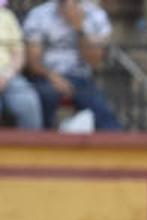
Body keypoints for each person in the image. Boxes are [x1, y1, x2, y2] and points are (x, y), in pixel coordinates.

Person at [22, 0, 121, 130]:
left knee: (106, 118)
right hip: (45, 77)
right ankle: (42, 143)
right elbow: (32, 62)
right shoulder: (39, 15)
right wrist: (54, 77)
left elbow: (95, 61)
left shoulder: (95, 15)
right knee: (46, 96)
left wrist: (79, 27)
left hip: (81, 78)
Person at [0, 0, 42, 128]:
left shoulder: (6, 16)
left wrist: (6, 75)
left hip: (8, 76)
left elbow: (19, 53)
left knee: (28, 102)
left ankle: (34, 146)